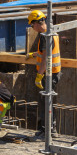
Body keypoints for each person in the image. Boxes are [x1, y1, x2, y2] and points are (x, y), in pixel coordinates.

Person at [28, 10, 61, 139]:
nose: (32, 28)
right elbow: (47, 53)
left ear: (37, 23)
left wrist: (39, 75)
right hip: (53, 72)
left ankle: (49, 131)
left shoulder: (44, 36)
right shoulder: (52, 32)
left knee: (46, 101)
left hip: (48, 74)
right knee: (46, 101)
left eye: (32, 25)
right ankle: (47, 129)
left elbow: (46, 58)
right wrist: (35, 54)